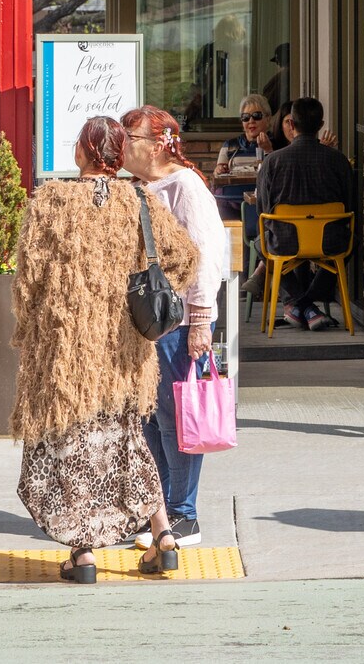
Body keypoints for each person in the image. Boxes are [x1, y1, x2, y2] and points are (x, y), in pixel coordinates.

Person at [12, 117, 197, 584]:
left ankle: (84, 555)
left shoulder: (52, 201)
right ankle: (164, 537)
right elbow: (185, 258)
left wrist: (33, 328)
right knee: (127, 442)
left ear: (82, 153)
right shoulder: (138, 201)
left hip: (65, 353)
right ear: (116, 157)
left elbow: (28, 279)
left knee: (71, 446)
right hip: (124, 353)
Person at [121, 105, 229, 550]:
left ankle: (184, 514)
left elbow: (206, 253)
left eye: (131, 138)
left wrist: (201, 321)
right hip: (146, 322)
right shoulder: (138, 188)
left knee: (174, 418)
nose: (123, 146)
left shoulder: (185, 185)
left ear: (158, 143)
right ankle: (158, 512)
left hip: (178, 321)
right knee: (148, 417)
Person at [254, 96, 353, 331]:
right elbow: (349, 208)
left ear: (291, 125)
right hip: (330, 241)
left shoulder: (273, 162)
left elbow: (263, 211)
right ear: (320, 125)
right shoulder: (338, 161)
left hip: (284, 242)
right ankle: (308, 305)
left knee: (260, 243)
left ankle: (299, 303)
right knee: (351, 241)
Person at [212, 94, 273, 218]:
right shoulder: (230, 146)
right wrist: (219, 170)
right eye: (245, 117)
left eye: (257, 116)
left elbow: (277, 173)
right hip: (232, 199)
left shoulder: (276, 143)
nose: (251, 121)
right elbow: (218, 174)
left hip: (263, 202)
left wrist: (268, 150)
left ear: (267, 118)